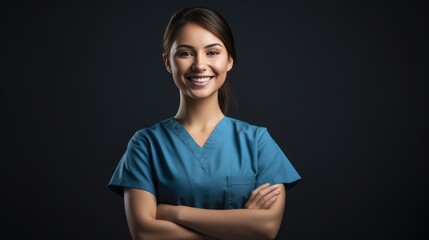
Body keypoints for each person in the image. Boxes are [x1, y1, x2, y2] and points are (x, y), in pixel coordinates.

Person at [108, 7, 301, 240]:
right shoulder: (145, 145)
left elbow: (267, 228)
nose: (200, 65)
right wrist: (239, 228)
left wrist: (174, 212)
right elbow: (145, 233)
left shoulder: (258, 142)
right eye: (186, 53)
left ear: (229, 60)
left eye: (212, 53)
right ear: (168, 62)